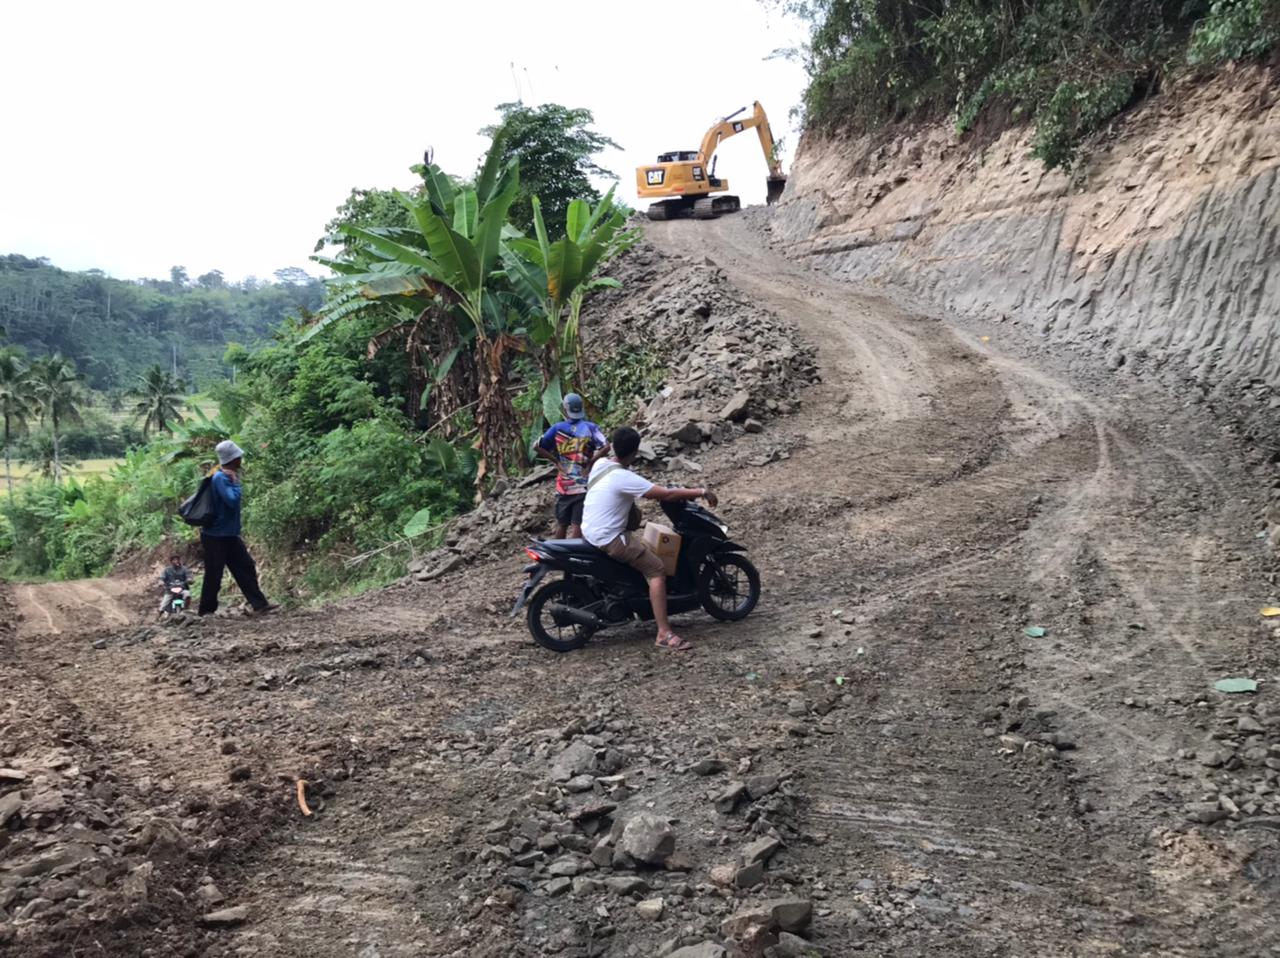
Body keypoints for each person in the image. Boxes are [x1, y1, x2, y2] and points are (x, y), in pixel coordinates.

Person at [581, 426, 718, 652]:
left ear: (613, 447)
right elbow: (666, 494)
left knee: (644, 546)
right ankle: (664, 633)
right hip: (609, 537)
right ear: (634, 453)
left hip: (592, 530)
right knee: (656, 569)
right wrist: (700, 492)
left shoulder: (601, 465)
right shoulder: (623, 477)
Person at [198, 440, 273, 617]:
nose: (241, 459)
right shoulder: (221, 478)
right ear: (232, 459)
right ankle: (206, 611)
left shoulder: (225, 477)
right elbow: (232, 500)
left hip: (228, 534)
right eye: (238, 457)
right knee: (214, 574)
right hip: (215, 536)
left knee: (245, 566)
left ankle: (259, 604)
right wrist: (236, 483)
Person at [535, 392, 610, 539]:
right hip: (583, 484)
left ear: (565, 409)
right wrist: (591, 462)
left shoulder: (557, 429)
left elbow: (537, 446)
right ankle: (573, 557)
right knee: (578, 524)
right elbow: (606, 446)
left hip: (564, 484)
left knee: (561, 524)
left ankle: (557, 557)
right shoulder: (591, 428)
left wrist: (556, 461)